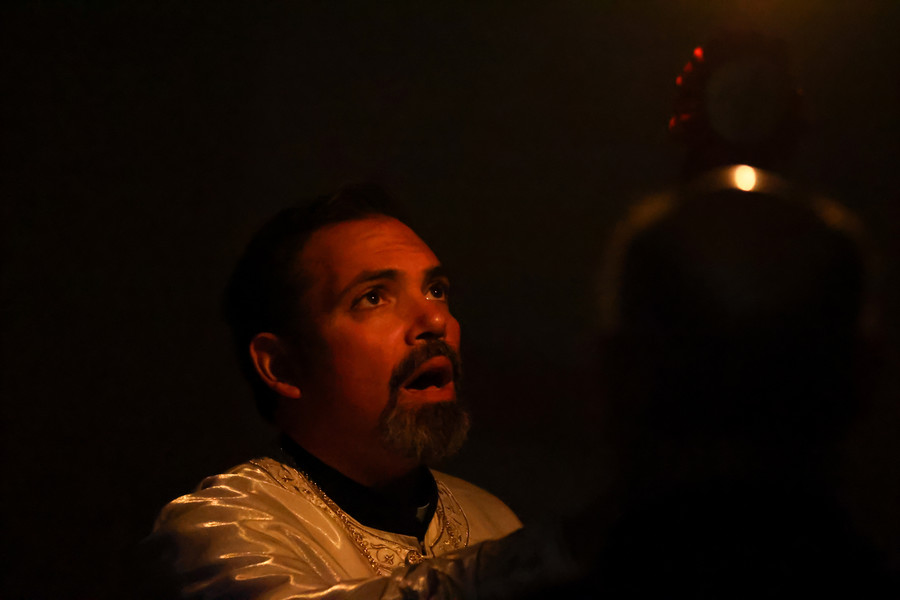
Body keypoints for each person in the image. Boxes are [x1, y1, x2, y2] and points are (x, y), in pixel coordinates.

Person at [143, 185, 524, 599]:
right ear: (281, 366)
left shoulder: (493, 520)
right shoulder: (219, 527)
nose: (435, 318)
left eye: (436, 290)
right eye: (374, 297)